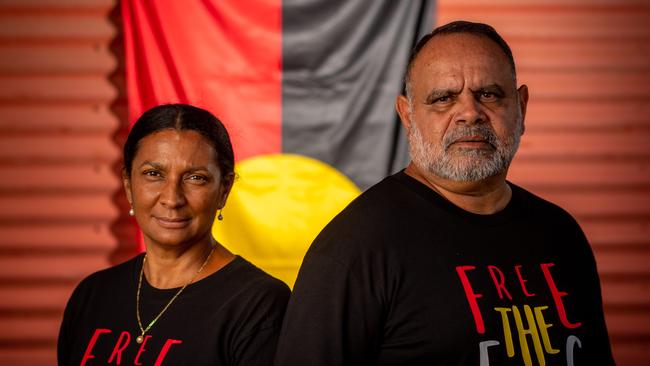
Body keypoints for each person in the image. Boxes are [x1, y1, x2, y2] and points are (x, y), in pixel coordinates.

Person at [274, 21, 615, 365]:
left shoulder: (560, 233)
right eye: (443, 98)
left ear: (521, 107)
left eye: (489, 94)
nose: (469, 113)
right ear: (407, 115)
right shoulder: (356, 248)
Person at [58, 104, 290, 365]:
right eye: (153, 174)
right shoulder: (93, 295)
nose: (172, 198)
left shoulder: (259, 305)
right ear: (128, 184)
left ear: (224, 189)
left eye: (195, 178)